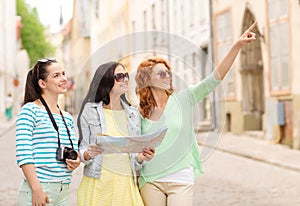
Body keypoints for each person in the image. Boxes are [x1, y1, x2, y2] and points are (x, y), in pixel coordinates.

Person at [135, 22, 257, 206]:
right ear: (147, 80)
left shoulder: (185, 99)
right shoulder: (139, 112)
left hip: (181, 176)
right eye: (160, 74)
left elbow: (215, 78)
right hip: (150, 179)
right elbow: (133, 149)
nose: (167, 76)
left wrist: (237, 45)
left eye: (167, 72)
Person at [77, 62, 155, 206]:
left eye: (126, 76)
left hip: (125, 183)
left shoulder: (133, 114)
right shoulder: (90, 110)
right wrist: (88, 153)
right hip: (98, 182)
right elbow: (82, 150)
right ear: (106, 81)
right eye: (119, 76)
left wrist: (141, 157)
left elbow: (134, 157)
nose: (125, 79)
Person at [15, 58, 80, 206]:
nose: (63, 79)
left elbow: (74, 150)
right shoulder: (29, 111)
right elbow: (24, 154)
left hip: (63, 190)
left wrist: (76, 161)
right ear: (42, 83)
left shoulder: (67, 117)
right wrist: (36, 189)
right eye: (56, 75)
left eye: (63, 74)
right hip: (39, 189)